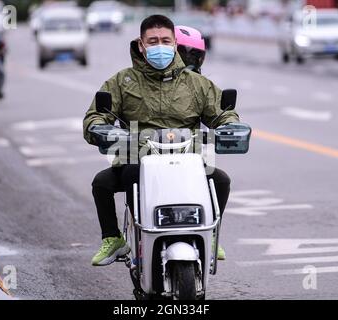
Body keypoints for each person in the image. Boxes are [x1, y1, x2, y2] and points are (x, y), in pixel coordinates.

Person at [83, 15, 240, 266]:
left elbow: (222, 113)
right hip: (137, 161)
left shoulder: (197, 84)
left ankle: (210, 233)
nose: (160, 46)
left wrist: (230, 126)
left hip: (188, 160)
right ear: (141, 45)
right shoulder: (121, 82)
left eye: (165, 40)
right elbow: (95, 117)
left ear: (175, 43)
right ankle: (115, 238)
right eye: (153, 41)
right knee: (101, 183)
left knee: (221, 180)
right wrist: (101, 129)